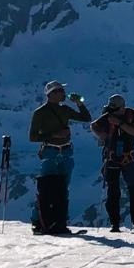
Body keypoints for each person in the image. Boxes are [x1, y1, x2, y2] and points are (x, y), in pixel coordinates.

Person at [28, 80, 92, 235]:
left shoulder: (63, 109)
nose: (64, 94)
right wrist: (54, 135)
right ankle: (39, 222)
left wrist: (79, 103)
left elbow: (86, 118)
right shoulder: (40, 112)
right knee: (46, 189)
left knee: (62, 188)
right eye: (61, 91)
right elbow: (33, 136)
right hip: (52, 151)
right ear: (52, 94)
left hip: (63, 151)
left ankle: (59, 221)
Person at [90, 94, 134, 233]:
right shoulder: (126, 115)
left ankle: (130, 223)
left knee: (124, 190)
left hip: (117, 157)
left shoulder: (121, 116)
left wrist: (116, 125)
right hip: (121, 157)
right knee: (118, 191)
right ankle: (120, 224)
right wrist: (103, 136)